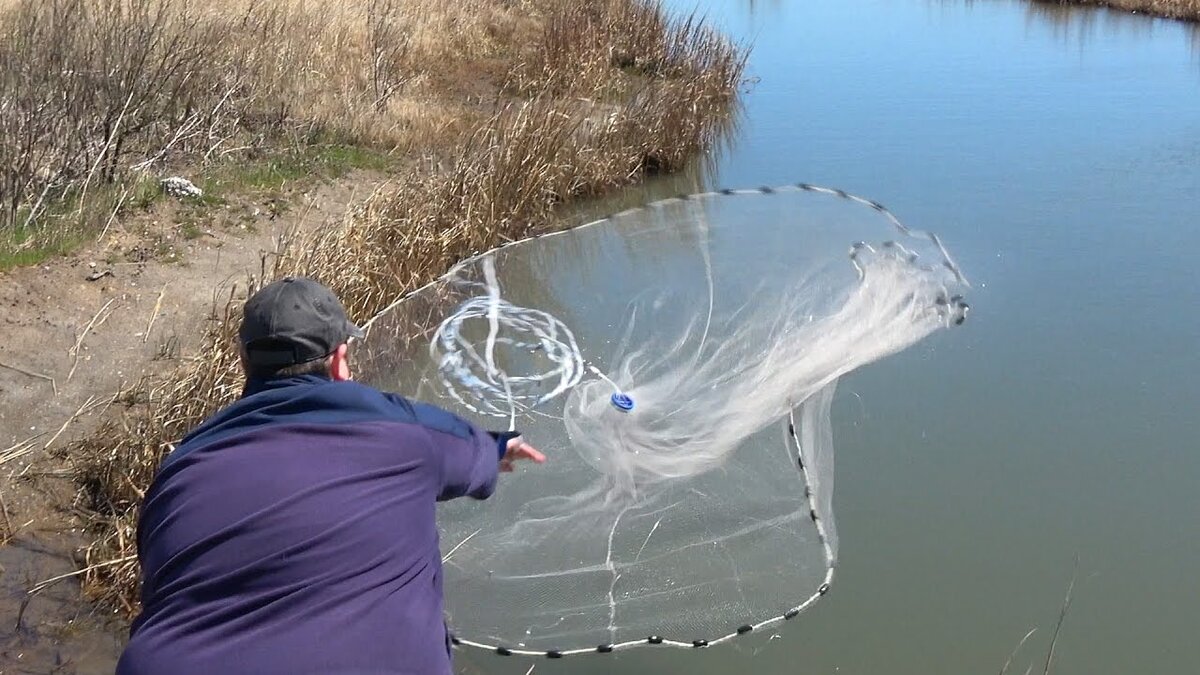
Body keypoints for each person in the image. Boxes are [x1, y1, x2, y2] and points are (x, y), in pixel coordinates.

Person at [116, 276, 545, 675]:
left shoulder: (180, 467)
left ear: (245, 363)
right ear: (341, 361)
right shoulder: (403, 432)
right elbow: (468, 451)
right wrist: (496, 447)